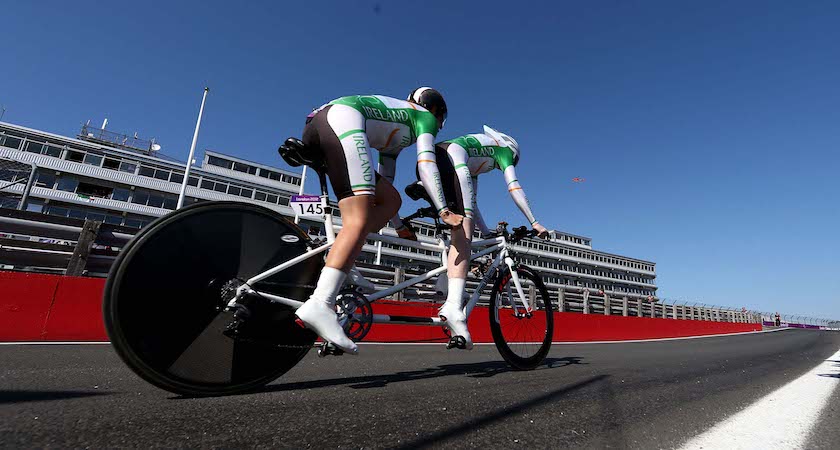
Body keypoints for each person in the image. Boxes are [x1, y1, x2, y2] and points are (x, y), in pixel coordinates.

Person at [294, 88, 464, 355]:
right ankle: (321, 302)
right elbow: (427, 163)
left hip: (320, 122)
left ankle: (340, 262)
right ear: (436, 111)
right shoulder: (424, 118)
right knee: (357, 219)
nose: (438, 126)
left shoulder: (395, 129)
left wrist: (398, 226)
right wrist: (444, 210)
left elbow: (386, 190)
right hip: (343, 121)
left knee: (391, 200)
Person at [416, 125, 548, 349]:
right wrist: (534, 222)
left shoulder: (474, 165)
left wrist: (486, 232)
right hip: (451, 157)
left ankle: (444, 284)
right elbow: (514, 187)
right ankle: (453, 306)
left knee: (460, 223)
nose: (503, 166)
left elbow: (472, 206)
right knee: (463, 235)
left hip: (432, 159)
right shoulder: (504, 150)